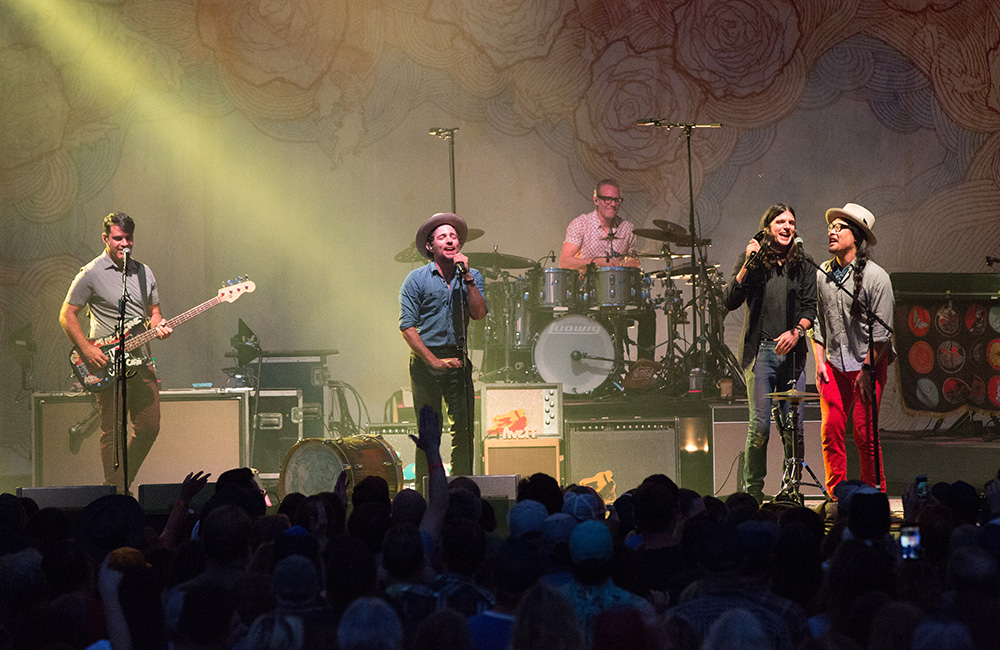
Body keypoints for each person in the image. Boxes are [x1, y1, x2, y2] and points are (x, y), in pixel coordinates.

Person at [59, 212, 172, 491]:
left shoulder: (144, 273)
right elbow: (67, 315)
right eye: (118, 238)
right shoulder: (91, 272)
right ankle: (116, 490)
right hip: (105, 360)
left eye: (129, 238)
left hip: (140, 359)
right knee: (113, 429)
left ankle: (119, 482)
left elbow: (154, 313)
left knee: (149, 426)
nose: (125, 244)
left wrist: (159, 325)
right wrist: (86, 349)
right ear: (105, 239)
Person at [723, 204, 816, 504]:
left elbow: (809, 307)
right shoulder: (752, 261)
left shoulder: (803, 262)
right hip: (760, 354)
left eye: (791, 221)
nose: (787, 226)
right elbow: (730, 300)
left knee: (794, 425)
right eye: (780, 221)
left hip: (792, 355)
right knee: (760, 425)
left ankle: (792, 489)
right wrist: (748, 264)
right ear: (767, 228)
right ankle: (753, 492)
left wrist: (797, 332)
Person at [811, 203, 894, 493]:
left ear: (855, 236)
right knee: (831, 429)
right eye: (830, 227)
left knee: (864, 432)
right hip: (833, 364)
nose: (831, 232)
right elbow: (818, 322)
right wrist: (820, 362)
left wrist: (867, 370)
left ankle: (874, 492)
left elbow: (882, 334)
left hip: (868, 363)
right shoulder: (822, 273)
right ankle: (837, 494)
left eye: (839, 227)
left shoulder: (877, 277)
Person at [399, 212, 487, 481]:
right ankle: (429, 490)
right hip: (426, 362)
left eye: (454, 236)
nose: (450, 240)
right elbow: (407, 327)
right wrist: (433, 361)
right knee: (429, 432)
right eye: (442, 237)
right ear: (430, 246)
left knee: (463, 430)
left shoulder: (471, 276)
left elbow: (480, 313)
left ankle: (462, 487)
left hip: (458, 360)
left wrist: (469, 278)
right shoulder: (416, 279)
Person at [559, 179, 638, 271]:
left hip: (617, 284)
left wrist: (631, 263)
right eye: (607, 199)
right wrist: (596, 262)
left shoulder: (627, 228)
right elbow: (564, 262)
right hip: (586, 283)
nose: (613, 204)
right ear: (596, 200)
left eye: (616, 200)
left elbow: (633, 262)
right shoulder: (581, 224)